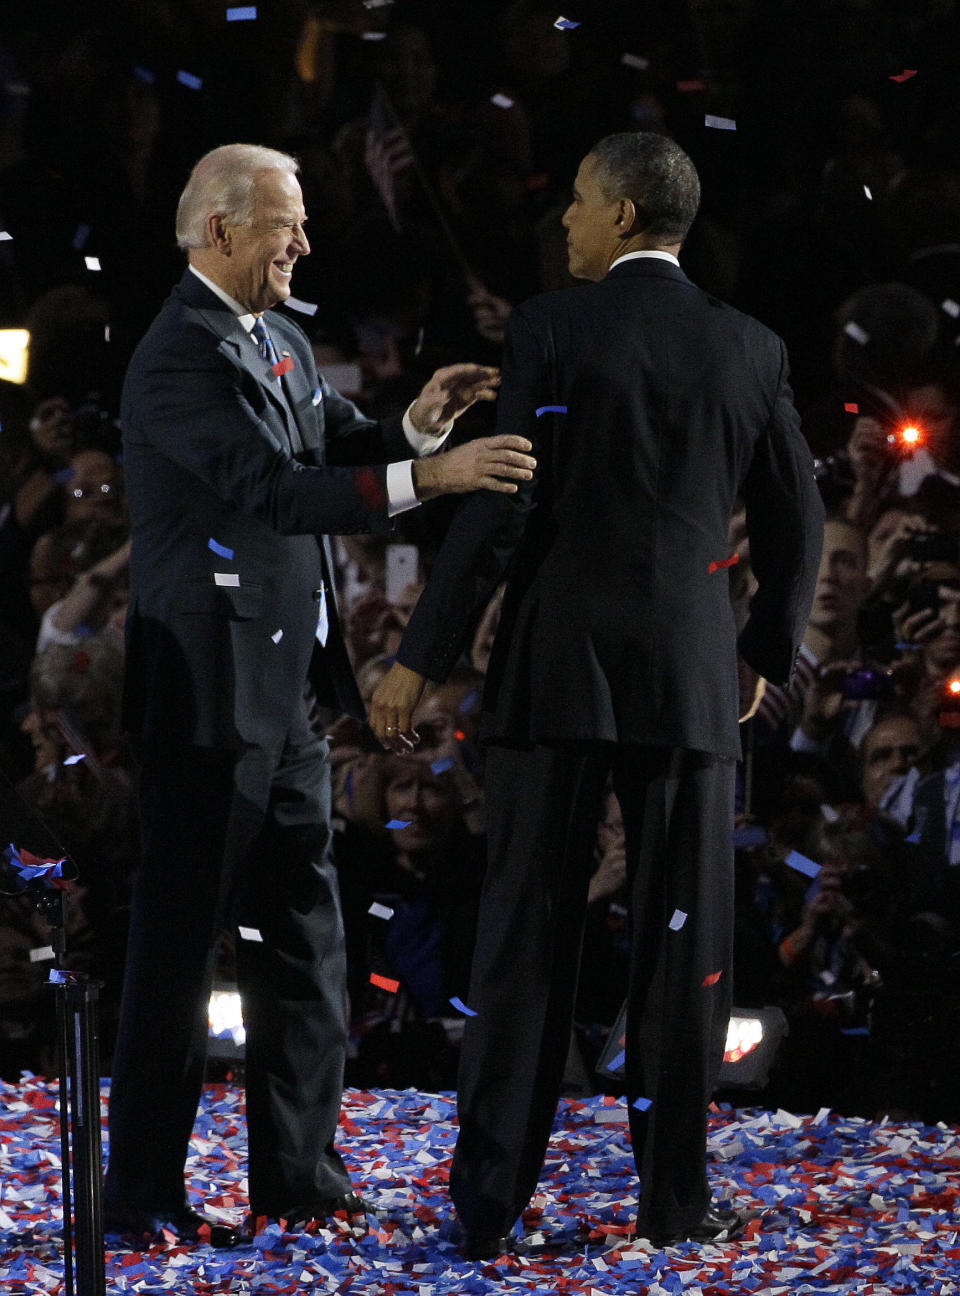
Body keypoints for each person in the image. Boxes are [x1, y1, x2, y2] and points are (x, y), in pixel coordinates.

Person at [369, 131, 824, 1253]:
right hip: (689, 684)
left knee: (525, 943)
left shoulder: (553, 328)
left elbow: (507, 496)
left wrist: (420, 652)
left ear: (623, 215)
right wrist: (758, 649)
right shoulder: (752, 347)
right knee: (684, 949)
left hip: (556, 673)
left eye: (575, 201)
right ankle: (672, 1204)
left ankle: (488, 1208)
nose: (562, 219)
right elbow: (798, 521)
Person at [102, 142, 536, 1242]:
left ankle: (297, 1180)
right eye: (285, 224)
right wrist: (429, 479)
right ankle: (143, 1191)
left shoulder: (280, 338)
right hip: (206, 702)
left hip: (288, 693)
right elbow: (274, 490)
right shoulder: (174, 361)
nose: (304, 242)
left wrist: (422, 425)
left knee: (306, 938)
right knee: (176, 948)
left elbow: (344, 445)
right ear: (220, 233)